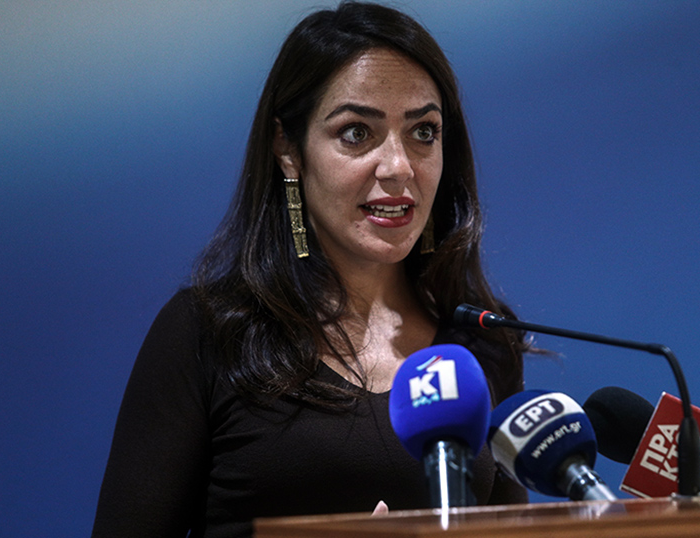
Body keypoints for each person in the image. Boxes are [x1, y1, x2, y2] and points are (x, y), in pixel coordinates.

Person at [92, 2, 529, 537]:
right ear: (288, 149)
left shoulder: (483, 343)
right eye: (356, 133)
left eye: (424, 132)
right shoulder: (208, 333)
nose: (399, 167)